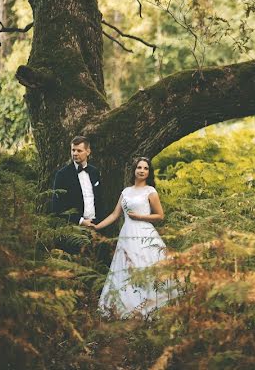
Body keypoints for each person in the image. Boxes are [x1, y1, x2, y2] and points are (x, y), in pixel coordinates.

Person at [93, 157, 175, 317]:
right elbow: (115, 214)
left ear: (149, 172)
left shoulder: (150, 191)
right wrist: (97, 226)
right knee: (127, 268)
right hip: (127, 234)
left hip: (145, 233)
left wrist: (140, 217)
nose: (142, 170)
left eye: (145, 168)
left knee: (144, 267)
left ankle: (149, 306)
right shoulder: (126, 191)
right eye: (139, 167)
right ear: (134, 170)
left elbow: (160, 215)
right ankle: (127, 307)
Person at [50, 136, 105, 228]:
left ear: (88, 152)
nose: (75, 153)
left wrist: (100, 222)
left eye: (79, 151)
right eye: (73, 150)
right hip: (74, 227)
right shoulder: (62, 175)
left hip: (96, 225)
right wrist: (81, 221)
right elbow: (57, 206)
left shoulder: (94, 172)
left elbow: (99, 199)